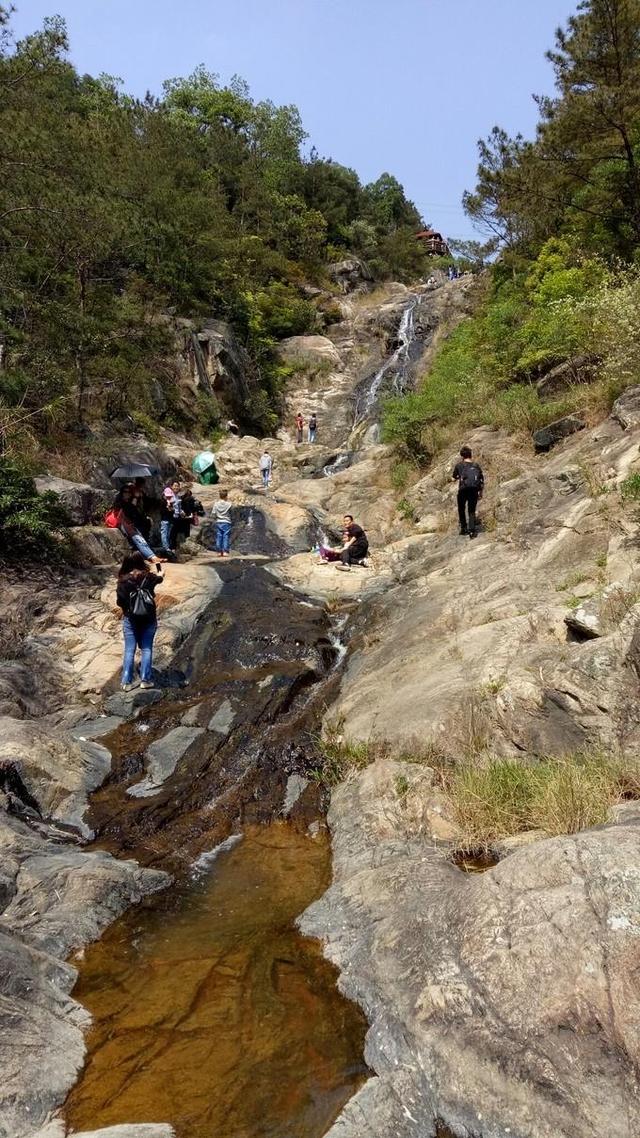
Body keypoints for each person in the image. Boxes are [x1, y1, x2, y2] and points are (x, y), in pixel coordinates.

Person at [116, 551, 163, 691]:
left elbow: (119, 602)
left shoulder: (122, 581)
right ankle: (145, 680)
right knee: (146, 648)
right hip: (149, 618)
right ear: (141, 561)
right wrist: (159, 566)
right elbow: (160, 577)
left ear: (126, 563)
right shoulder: (149, 577)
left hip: (130, 619)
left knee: (129, 649)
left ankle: (126, 682)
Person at [114, 484, 159, 562]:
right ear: (122, 493)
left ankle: (150, 556)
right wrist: (134, 498)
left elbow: (136, 512)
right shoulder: (120, 502)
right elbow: (129, 510)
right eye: (125, 492)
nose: (127, 493)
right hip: (124, 523)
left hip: (131, 524)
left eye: (129, 492)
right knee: (137, 538)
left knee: (141, 539)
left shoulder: (130, 501)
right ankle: (152, 557)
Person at [452, 445, 484, 538]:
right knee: (471, 510)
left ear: (462, 456)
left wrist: (452, 479)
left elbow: (454, 478)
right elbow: (481, 480)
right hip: (474, 490)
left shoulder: (459, 465)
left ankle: (464, 528)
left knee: (461, 509)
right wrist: (480, 492)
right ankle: (472, 531)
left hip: (463, 490)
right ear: (471, 455)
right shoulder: (476, 465)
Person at [211, 488, 232, 556]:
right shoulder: (229, 504)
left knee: (219, 536)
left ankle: (219, 551)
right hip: (227, 521)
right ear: (226, 496)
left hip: (219, 521)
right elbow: (231, 513)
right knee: (225, 536)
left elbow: (213, 513)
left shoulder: (216, 504)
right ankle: (225, 551)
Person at [160, 483, 179, 552]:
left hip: (170, 519)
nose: (168, 497)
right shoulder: (162, 502)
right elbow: (162, 511)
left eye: (169, 496)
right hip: (164, 520)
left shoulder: (171, 502)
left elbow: (173, 511)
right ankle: (165, 547)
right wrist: (168, 508)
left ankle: (167, 546)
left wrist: (171, 508)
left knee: (168, 534)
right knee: (164, 533)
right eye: (167, 496)